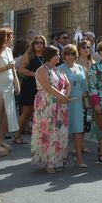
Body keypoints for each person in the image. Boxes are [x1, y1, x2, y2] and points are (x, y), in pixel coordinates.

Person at [31, 45, 70, 173]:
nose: (59, 57)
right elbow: (47, 87)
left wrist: (65, 95)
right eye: (56, 54)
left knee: (60, 131)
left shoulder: (59, 70)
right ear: (49, 56)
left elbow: (68, 84)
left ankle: (59, 160)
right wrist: (61, 96)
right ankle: (49, 163)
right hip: (47, 103)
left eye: (59, 54)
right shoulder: (42, 70)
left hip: (61, 103)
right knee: (49, 132)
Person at [0, 28, 21, 157]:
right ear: (3, 38)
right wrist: (7, 67)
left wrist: (16, 82)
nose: (12, 39)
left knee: (7, 113)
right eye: (10, 36)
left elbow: (13, 68)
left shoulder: (8, 51)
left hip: (8, 86)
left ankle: (1, 140)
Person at [58, 45, 88, 168]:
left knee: (78, 130)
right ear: (64, 56)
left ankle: (79, 158)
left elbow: (84, 86)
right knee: (62, 130)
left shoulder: (80, 67)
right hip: (65, 102)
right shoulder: (59, 69)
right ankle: (59, 157)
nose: (70, 57)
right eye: (67, 54)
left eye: (72, 54)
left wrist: (87, 102)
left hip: (78, 102)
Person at [14, 35, 47, 145]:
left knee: (42, 113)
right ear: (32, 44)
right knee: (27, 112)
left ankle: (41, 138)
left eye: (41, 43)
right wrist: (36, 74)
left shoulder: (46, 55)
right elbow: (20, 70)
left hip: (43, 87)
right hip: (30, 86)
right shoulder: (29, 54)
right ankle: (16, 135)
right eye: (36, 42)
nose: (39, 44)